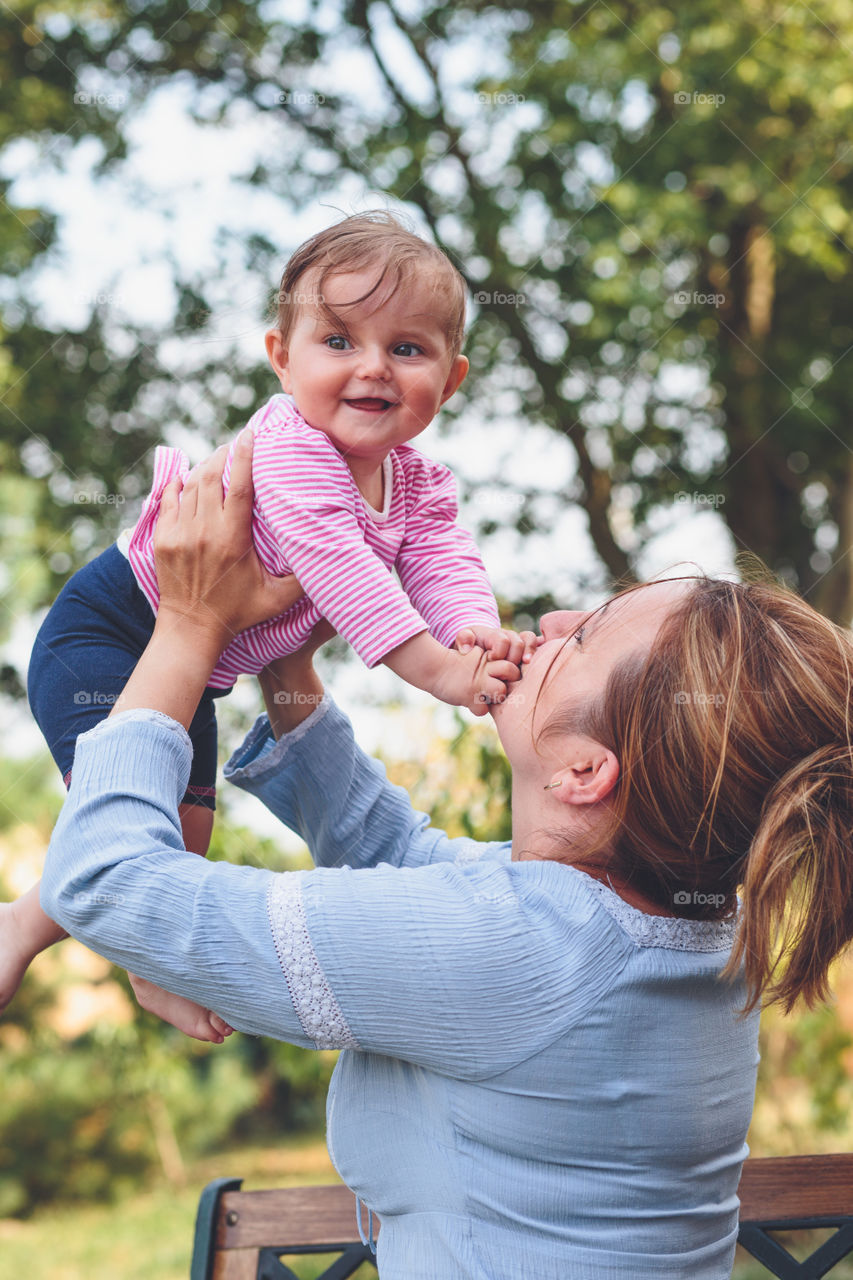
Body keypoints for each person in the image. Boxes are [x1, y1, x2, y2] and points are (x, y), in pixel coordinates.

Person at [39, 438, 853, 1278]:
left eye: (584, 642)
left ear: (583, 771)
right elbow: (403, 857)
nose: (551, 624)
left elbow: (102, 882)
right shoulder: (676, 926)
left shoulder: (524, 951)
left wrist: (187, 625)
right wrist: (286, 650)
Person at [6, 211, 532, 1041]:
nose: (372, 368)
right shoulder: (289, 447)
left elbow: (441, 559)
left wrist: (471, 630)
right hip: (109, 635)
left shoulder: (417, 481)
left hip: (199, 660)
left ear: (451, 379)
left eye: (406, 348)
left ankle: (81, 941)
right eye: (338, 341)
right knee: (130, 815)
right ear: (280, 358)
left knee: (188, 833)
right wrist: (442, 672)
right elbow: (346, 576)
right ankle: (85, 951)